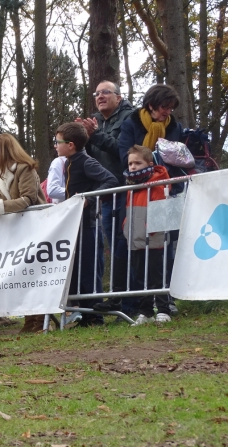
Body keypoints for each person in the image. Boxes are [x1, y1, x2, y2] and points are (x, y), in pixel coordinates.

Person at [0, 133, 47, 334]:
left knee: (36, 275)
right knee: (23, 275)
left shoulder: (25, 169)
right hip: (16, 233)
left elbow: (28, 199)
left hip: (36, 230)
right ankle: (29, 319)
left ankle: (41, 319)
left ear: (3, 152)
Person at [76, 82, 134, 314]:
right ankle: (115, 299)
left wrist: (96, 135)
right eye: (97, 94)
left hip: (125, 190)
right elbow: (90, 158)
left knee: (125, 245)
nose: (100, 97)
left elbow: (125, 152)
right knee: (114, 247)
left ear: (118, 97)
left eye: (105, 93)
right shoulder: (94, 121)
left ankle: (129, 303)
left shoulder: (130, 117)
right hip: (103, 194)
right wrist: (84, 138)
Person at [56, 123, 118, 327]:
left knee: (89, 270)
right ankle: (83, 314)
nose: (56, 145)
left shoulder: (86, 162)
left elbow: (110, 180)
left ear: (71, 145)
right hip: (74, 224)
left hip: (88, 224)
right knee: (77, 270)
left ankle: (95, 316)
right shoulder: (68, 163)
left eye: (58, 142)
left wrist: (88, 199)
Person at [123, 146, 172, 325]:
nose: (133, 167)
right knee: (140, 276)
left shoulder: (158, 182)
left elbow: (161, 208)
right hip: (136, 237)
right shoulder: (131, 185)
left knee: (156, 274)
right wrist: (126, 227)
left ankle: (164, 309)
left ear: (149, 164)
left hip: (154, 236)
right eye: (130, 163)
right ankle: (146, 311)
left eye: (138, 162)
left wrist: (151, 228)